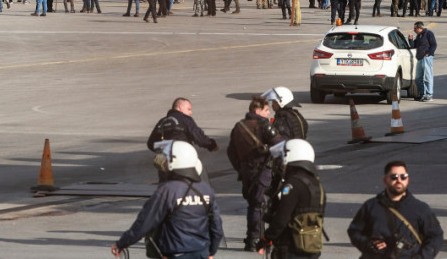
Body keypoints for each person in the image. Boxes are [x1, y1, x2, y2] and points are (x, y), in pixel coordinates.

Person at [111, 141, 224, 259]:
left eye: (166, 159)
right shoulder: (206, 189)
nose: (164, 162)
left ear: (175, 161)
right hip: (201, 253)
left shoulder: (167, 191)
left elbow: (144, 223)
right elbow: (216, 225)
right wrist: (211, 252)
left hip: (176, 253)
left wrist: (122, 243)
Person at [347, 161, 443, 259]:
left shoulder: (420, 208)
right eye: (394, 177)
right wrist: (368, 244)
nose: (399, 180)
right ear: (385, 180)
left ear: (407, 180)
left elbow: (436, 236)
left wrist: (422, 257)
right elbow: (354, 231)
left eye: (403, 177)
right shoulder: (371, 206)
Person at [228, 95, 283, 251]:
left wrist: (240, 167)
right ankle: (255, 239)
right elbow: (280, 147)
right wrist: (279, 166)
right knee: (259, 205)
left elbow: (231, 151)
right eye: (266, 110)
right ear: (257, 111)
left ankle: (253, 238)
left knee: (254, 204)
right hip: (262, 170)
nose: (268, 113)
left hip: (246, 171)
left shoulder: (239, 126)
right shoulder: (263, 125)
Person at [258, 139, 326, 258]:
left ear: (292, 157)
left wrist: (266, 239)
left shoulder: (292, 184)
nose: (281, 165)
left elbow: (281, 218)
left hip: (291, 248)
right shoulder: (316, 184)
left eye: (283, 159)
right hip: (311, 246)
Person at [408, 22, 436, 102]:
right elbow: (414, 46)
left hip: (426, 58)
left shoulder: (428, 33)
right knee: (418, 78)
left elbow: (434, 45)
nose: (414, 30)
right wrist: (410, 40)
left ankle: (429, 95)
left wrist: (429, 53)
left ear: (420, 28)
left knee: (427, 76)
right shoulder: (419, 36)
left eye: (415, 28)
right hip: (419, 58)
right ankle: (422, 94)